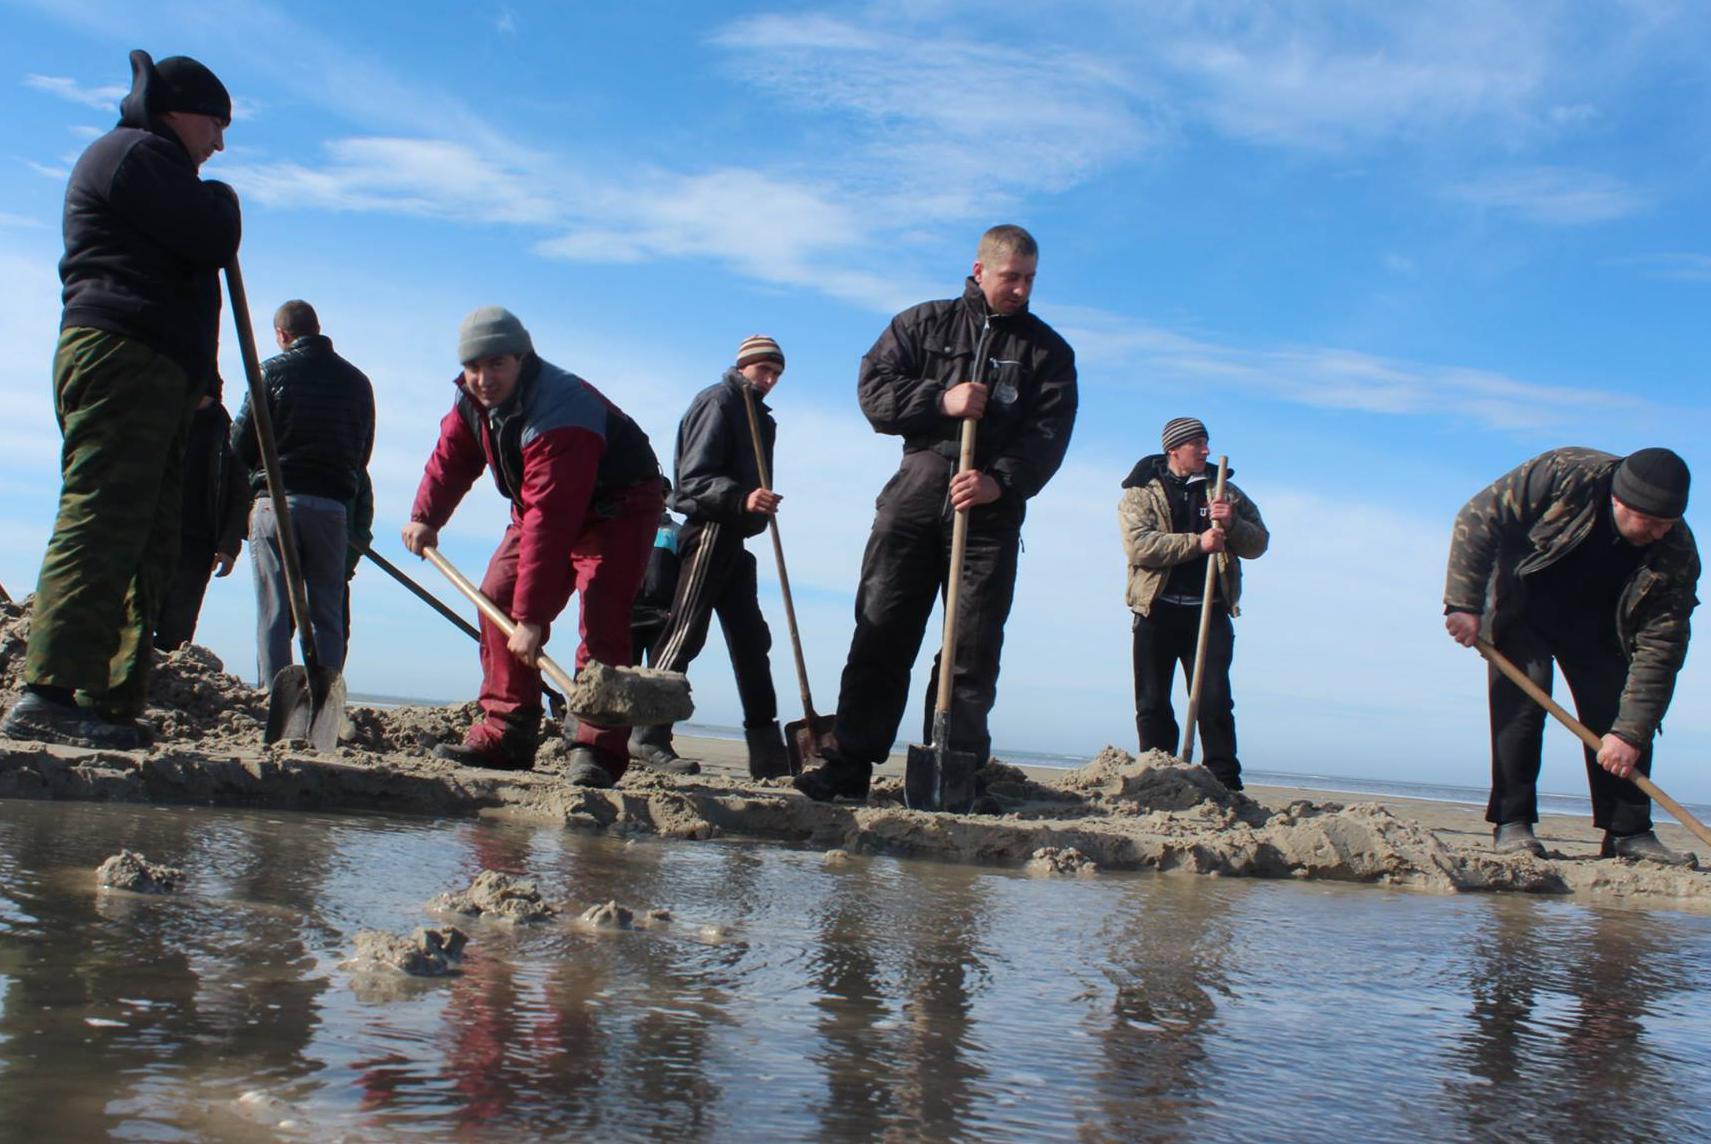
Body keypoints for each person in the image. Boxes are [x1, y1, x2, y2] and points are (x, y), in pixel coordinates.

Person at [0, 50, 240, 749]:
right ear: (176, 111)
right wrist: (223, 200)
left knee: (152, 533)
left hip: (159, 370)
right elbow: (211, 235)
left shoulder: (156, 165)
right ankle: (49, 692)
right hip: (123, 356)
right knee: (105, 517)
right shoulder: (134, 155)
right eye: (216, 125)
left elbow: (190, 278)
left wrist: (204, 387)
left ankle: (107, 698)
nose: (219, 142)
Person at [795, 224, 1078, 802]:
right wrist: (940, 400)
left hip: (989, 513)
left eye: (1029, 280)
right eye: (1010, 278)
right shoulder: (921, 323)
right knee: (882, 630)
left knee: (972, 647)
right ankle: (849, 763)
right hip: (917, 490)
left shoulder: (1049, 351)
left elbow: (1050, 435)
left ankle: (954, 769)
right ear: (980, 271)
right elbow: (874, 392)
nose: (1021, 290)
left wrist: (1001, 484)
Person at [402, 307, 664, 787]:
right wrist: (426, 517)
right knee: (494, 596)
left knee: (602, 617)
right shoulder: (470, 403)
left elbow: (554, 518)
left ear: (522, 359)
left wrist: (533, 619)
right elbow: (452, 459)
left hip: (617, 508)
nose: (484, 378)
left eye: (496, 364)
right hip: (540, 507)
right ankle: (508, 730)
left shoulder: (562, 410)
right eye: (473, 367)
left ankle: (596, 748)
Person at [1444, 447, 1700, 865]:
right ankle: (1513, 823)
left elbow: (1662, 650)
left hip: (1601, 627)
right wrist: (1463, 603)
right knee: (1523, 707)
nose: (1658, 533)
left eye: (1667, 525)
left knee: (1621, 718)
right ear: (1620, 501)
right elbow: (1478, 517)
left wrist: (1629, 735)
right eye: (1651, 522)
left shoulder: (1676, 553)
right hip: (1524, 605)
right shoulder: (1564, 474)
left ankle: (1628, 832)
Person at [630, 335, 791, 779]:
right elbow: (692, 481)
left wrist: (753, 506)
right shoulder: (718, 402)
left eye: (777, 373)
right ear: (744, 366)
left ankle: (768, 754)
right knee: (684, 632)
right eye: (764, 370)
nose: (771, 379)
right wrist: (742, 499)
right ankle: (647, 734)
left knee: (752, 642)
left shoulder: (761, 416)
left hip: (737, 540)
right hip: (710, 531)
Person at [1117, 417, 1270, 791]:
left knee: (1213, 700)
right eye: (1196, 444)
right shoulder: (1142, 491)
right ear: (1174, 449)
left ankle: (1225, 782)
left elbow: (1259, 544)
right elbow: (1140, 546)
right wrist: (1197, 544)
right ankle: (1157, 777)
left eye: (1206, 443)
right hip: (1157, 609)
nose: (1205, 450)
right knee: (1152, 701)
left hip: (1209, 609)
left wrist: (1232, 524)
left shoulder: (1225, 492)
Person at [232, 299, 374, 685]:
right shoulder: (358, 382)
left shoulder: (271, 371)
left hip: (276, 501)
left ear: (282, 334)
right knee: (327, 608)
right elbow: (363, 455)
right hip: (331, 506)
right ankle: (325, 694)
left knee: (275, 610)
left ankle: (275, 694)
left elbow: (241, 442)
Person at [152, 390, 250, 650]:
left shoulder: (228, 434)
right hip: (153, 535)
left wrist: (229, 546)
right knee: (133, 621)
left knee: (177, 630)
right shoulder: (160, 417)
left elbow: (240, 495)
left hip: (199, 543)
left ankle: (160, 687)